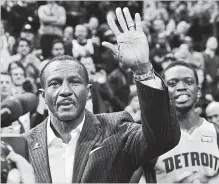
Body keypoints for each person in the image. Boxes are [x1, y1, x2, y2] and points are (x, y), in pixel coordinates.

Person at [25, 7, 180, 183]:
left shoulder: (117, 130)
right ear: (43, 95)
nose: (65, 90)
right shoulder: (26, 143)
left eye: (75, 82)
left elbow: (162, 138)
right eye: (55, 83)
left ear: (89, 91)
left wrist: (143, 69)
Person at [141, 61, 219, 183]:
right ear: (163, 92)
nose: (181, 87)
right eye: (172, 83)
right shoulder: (150, 137)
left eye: (188, 82)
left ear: (198, 90)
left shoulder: (215, 131)